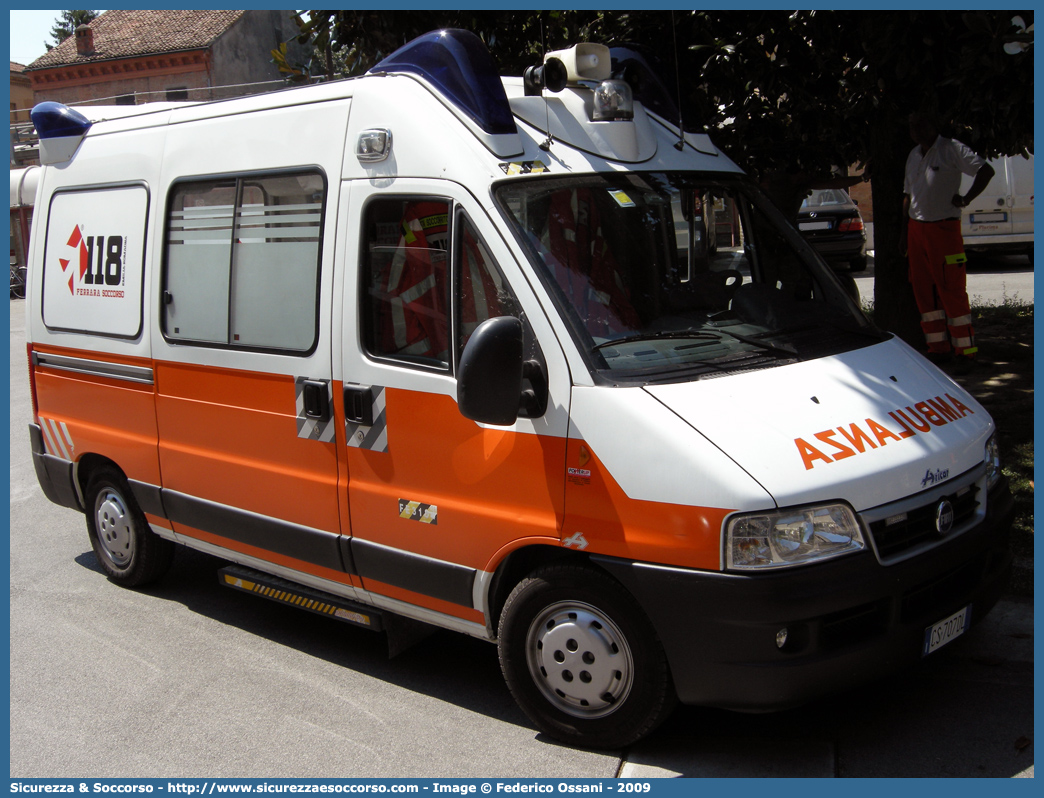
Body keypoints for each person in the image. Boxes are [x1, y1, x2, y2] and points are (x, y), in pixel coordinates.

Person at [901, 111, 995, 366]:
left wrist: (966, 199)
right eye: (912, 126)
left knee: (951, 290)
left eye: (921, 123)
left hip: (944, 230)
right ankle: (938, 349)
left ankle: (965, 353)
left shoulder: (951, 149)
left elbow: (986, 171)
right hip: (916, 230)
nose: (916, 130)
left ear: (934, 125)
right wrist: (904, 232)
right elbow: (908, 196)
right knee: (924, 292)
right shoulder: (913, 155)